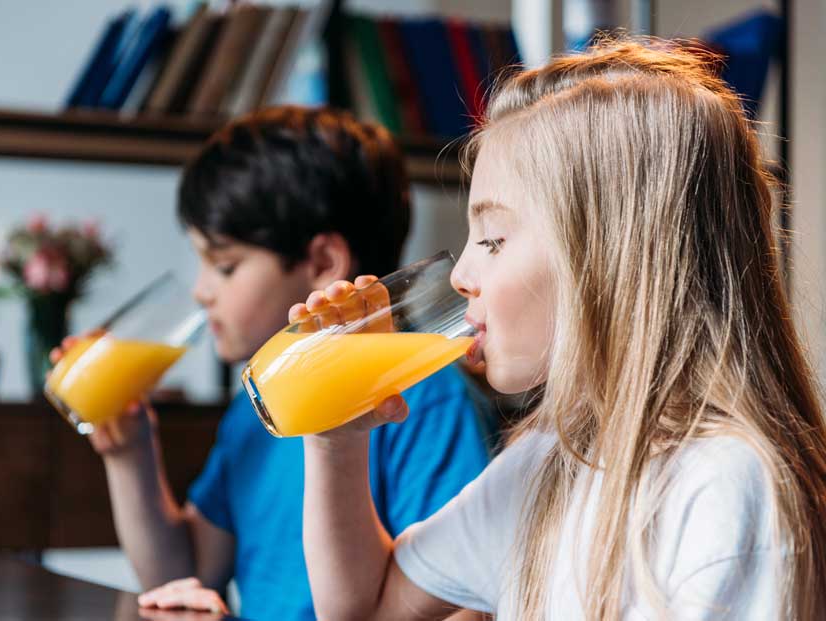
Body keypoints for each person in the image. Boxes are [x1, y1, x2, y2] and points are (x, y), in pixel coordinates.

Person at [294, 40, 826, 620]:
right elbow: (367, 608)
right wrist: (336, 440)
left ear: (611, 260)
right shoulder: (551, 460)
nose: (463, 275)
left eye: (493, 241)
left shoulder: (726, 485)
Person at [53, 106, 490, 620]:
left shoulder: (421, 399)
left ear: (322, 265)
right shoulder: (253, 411)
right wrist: (130, 455)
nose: (201, 291)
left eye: (225, 266)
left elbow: (461, 604)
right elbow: (186, 575)